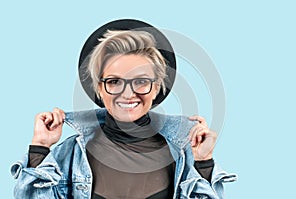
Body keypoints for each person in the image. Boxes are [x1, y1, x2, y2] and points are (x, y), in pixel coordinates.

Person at [11, 19, 236, 199]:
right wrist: (40, 148)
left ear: (157, 86)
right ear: (99, 88)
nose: (128, 94)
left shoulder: (183, 154)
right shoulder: (70, 154)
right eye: (114, 81)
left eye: (140, 81)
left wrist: (203, 161)